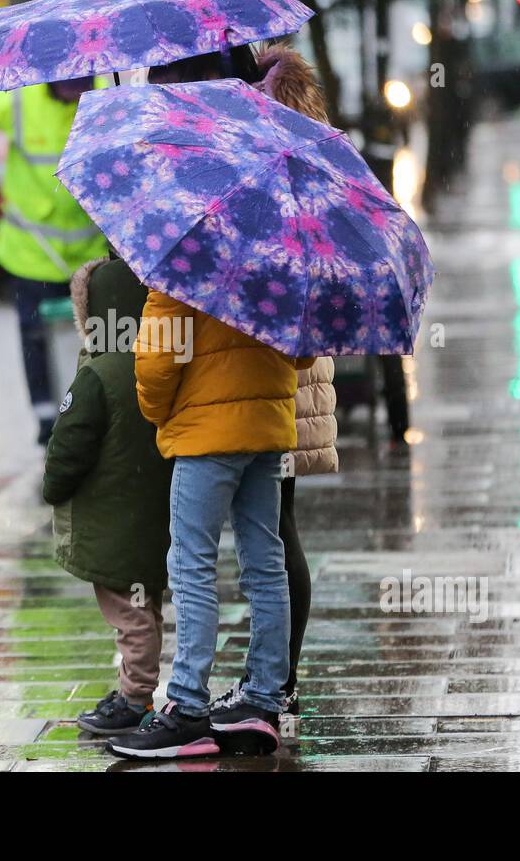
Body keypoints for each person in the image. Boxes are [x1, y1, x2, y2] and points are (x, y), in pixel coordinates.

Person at [104, 39, 314, 762]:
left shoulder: (184, 228)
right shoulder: (280, 221)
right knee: (264, 560)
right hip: (268, 423)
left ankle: (187, 706)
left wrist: (159, 410)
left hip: (202, 431)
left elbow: (160, 356)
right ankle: (260, 699)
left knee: (189, 562)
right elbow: (303, 344)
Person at [206, 45, 340, 730]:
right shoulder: (292, 137)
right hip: (278, 366)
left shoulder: (274, 152)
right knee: (274, 526)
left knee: (274, 528)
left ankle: (276, 680)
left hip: (280, 366)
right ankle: (274, 677)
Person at [0, 77, 110, 444]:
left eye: (80, 81)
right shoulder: (19, 99)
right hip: (31, 252)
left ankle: (95, 417)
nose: (74, 87)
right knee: (36, 338)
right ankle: (47, 421)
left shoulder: (105, 99)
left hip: (91, 258)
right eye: (67, 82)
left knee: (102, 341)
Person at [41, 255, 173, 736]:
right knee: (146, 606)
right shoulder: (159, 361)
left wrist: (52, 487)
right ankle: (133, 690)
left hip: (111, 524)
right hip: (153, 516)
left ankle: (135, 697)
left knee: (129, 616)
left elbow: (68, 446)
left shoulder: (97, 375)